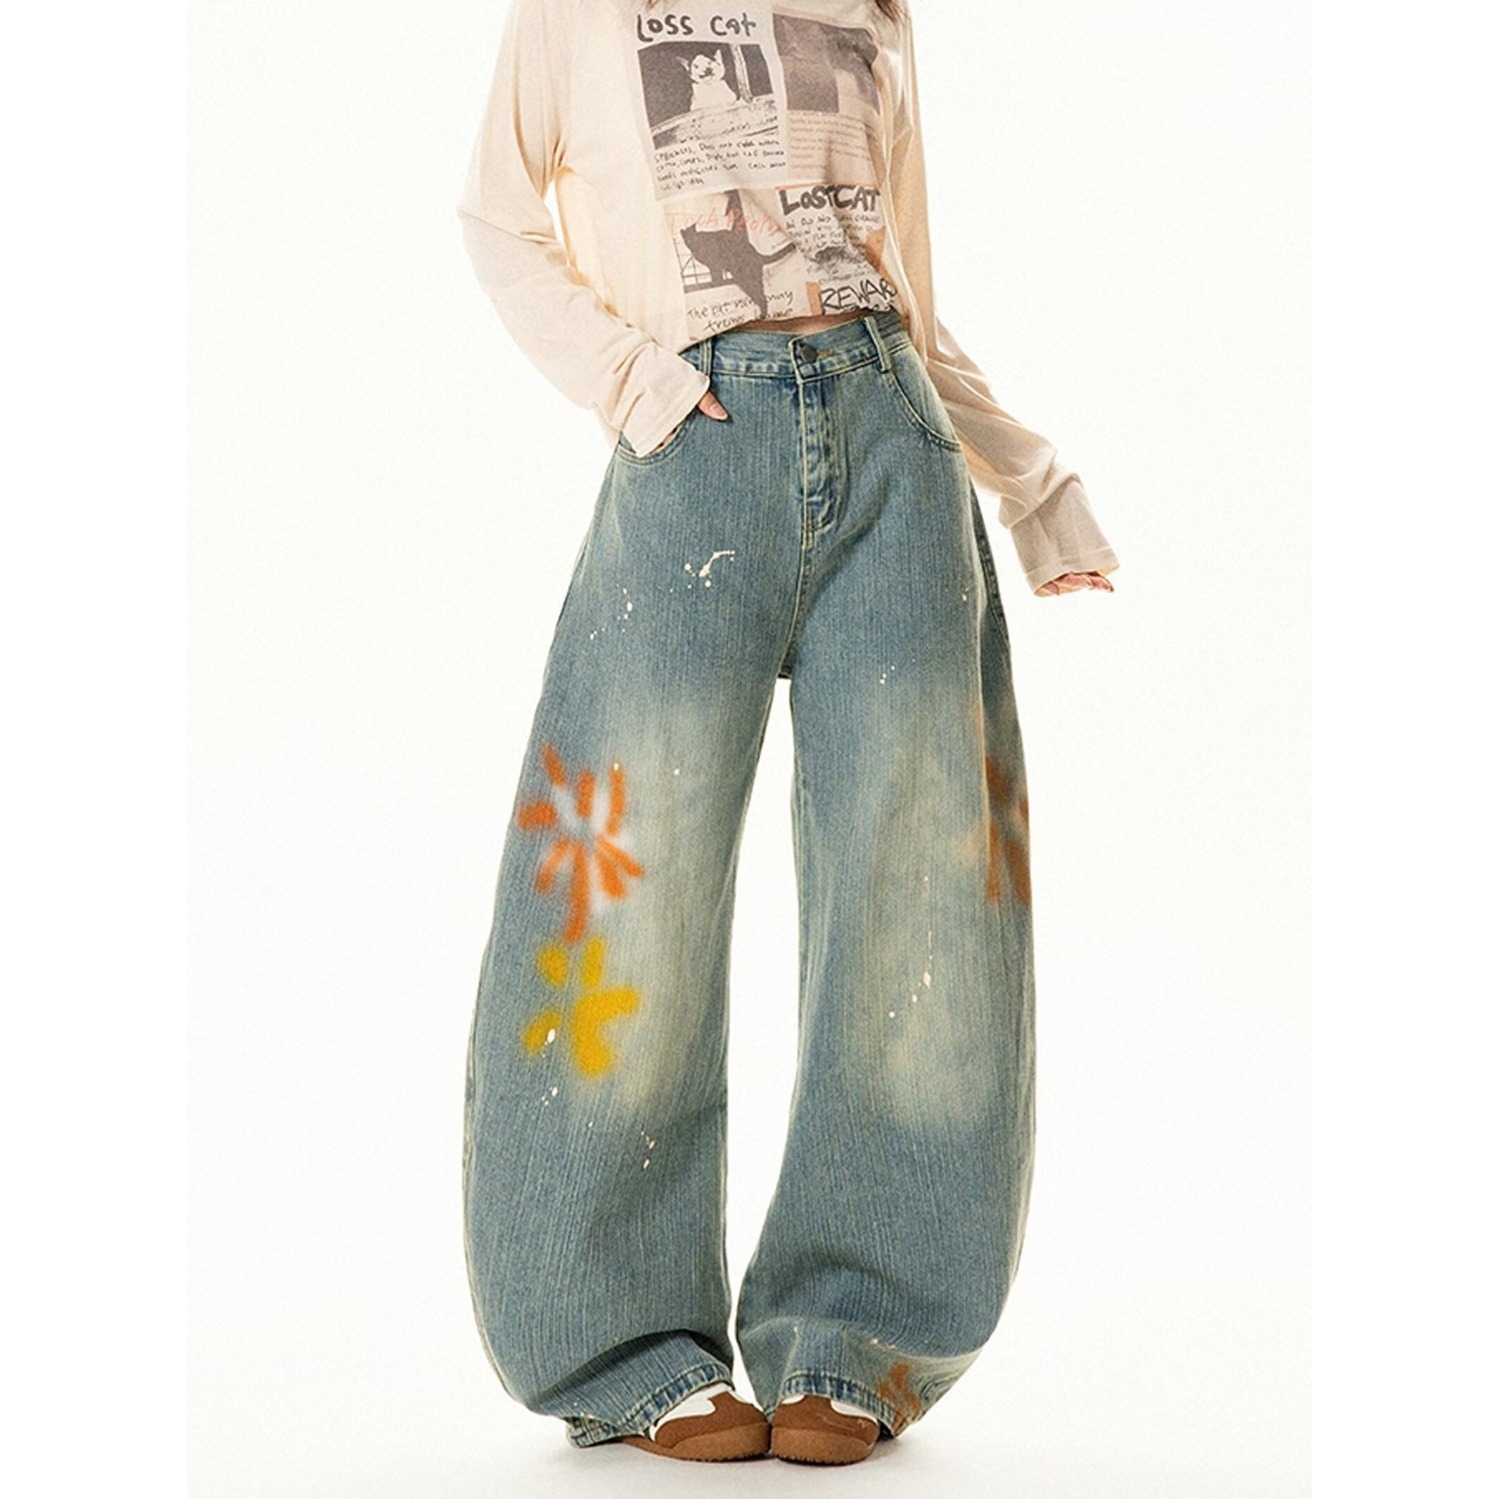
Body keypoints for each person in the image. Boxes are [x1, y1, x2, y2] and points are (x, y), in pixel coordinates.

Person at [456, 0, 1119, 1467]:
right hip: (692, 443)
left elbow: (906, 293)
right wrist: (637, 383)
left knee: (924, 896)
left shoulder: (875, 10)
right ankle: (621, 1342)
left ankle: (856, 1335)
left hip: (896, 446)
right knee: (622, 886)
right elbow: (498, 216)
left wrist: (1030, 480)